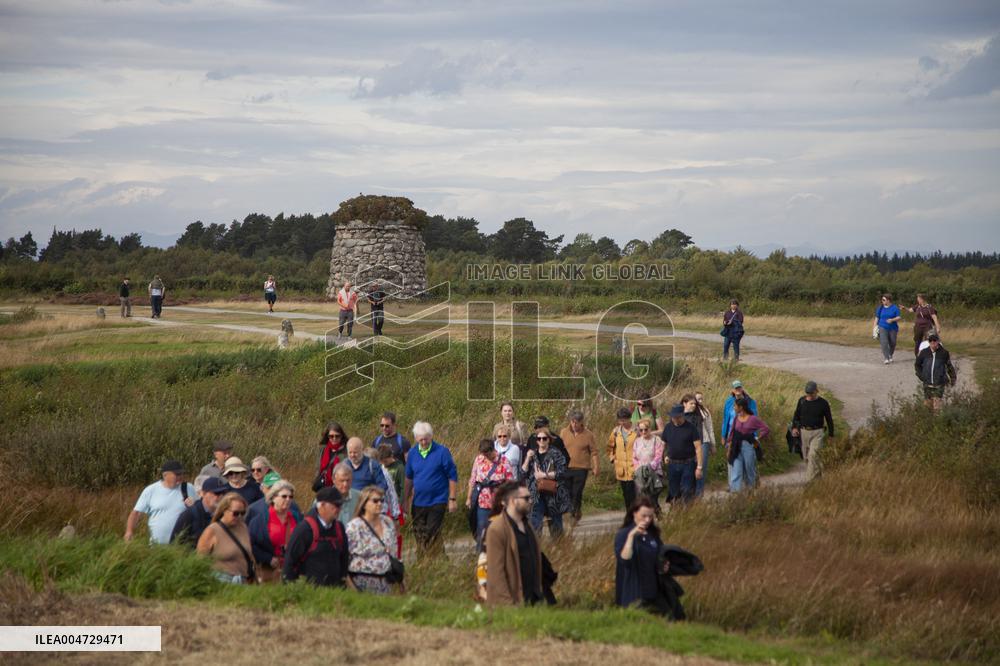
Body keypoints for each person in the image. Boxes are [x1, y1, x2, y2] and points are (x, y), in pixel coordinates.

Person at [484, 481, 545, 606]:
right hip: (512, 604)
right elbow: (496, 572)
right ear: (512, 501)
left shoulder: (528, 526)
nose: (531, 501)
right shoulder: (497, 529)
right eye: (526, 498)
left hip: (533, 601)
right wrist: (508, 605)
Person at [403, 421, 459, 551]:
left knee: (430, 534)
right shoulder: (412, 453)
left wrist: (452, 499)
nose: (423, 442)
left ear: (431, 436)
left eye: (426, 439)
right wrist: (405, 500)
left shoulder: (442, 452)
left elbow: (452, 476)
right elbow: (409, 478)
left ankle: (430, 561)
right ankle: (432, 563)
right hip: (418, 502)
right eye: (421, 439)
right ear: (416, 438)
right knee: (420, 536)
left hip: (437, 501)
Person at [282, 486, 352, 587]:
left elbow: (344, 559)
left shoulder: (339, 528)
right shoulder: (305, 529)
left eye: (340, 505)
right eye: (336, 505)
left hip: (334, 593)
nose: (339, 509)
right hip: (309, 592)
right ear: (322, 505)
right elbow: (289, 561)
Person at [615, 497, 669, 613]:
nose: (647, 520)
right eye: (643, 516)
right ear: (634, 513)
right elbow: (624, 560)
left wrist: (664, 564)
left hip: (653, 589)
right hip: (634, 592)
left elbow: (661, 553)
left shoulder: (652, 533)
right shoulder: (624, 534)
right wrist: (631, 537)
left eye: (650, 516)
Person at [124, 460, 196, 544]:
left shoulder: (189, 488)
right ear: (165, 475)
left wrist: (194, 506)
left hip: (182, 546)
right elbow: (136, 513)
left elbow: (199, 511)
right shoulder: (151, 490)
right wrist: (129, 531)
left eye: (181, 473)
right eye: (177, 474)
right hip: (157, 547)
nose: (180, 476)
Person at [346, 486, 399, 594]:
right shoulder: (354, 526)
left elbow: (394, 553)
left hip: (386, 581)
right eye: (375, 501)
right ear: (364, 504)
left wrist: (400, 580)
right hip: (361, 581)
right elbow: (344, 558)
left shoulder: (388, 523)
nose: (379, 504)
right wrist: (352, 588)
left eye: (382, 501)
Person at [196, 493, 255, 584]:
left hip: (243, 581)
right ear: (224, 510)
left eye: (242, 513)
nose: (239, 517)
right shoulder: (212, 530)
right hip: (221, 581)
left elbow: (250, 555)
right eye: (235, 513)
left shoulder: (243, 527)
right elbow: (200, 561)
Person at [522, 427, 570, 538]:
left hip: (552, 492)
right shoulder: (532, 454)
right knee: (535, 522)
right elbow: (523, 472)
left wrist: (544, 475)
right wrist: (527, 459)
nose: (542, 441)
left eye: (544, 438)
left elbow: (562, 472)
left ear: (549, 439)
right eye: (539, 439)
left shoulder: (555, 453)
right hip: (536, 493)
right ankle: (537, 548)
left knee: (555, 524)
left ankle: (559, 548)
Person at [466, 438, 514, 549]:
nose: (485, 457)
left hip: (499, 503)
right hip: (482, 502)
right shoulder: (479, 460)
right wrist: (469, 498)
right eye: (483, 454)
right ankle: (481, 556)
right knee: (481, 529)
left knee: (499, 530)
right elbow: (473, 479)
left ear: (492, 450)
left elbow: (510, 483)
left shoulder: (504, 462)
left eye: (487, 454)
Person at [248, 480, 298, 583]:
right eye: (284, 496)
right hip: (269, 572)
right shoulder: (259, 521)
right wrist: (268, 558)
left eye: (291, 497)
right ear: (273, 498)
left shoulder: (297, 517)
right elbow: (250, 544)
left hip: (293, 570)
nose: (288, 499)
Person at [560, 409, 599, 524]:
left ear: (582, 422)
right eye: (572, 421)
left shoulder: (588, 434)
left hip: (581, 468)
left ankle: (573, 514)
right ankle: (576, 511)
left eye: (577, 422)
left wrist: (596, 467)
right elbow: (558, 449)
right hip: (566, 467)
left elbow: (594, 452)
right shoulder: (563, 432)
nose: (574, 424)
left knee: (576, 492)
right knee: (567, 492)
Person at [791, 381, 835, 481]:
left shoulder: (823, 403)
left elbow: (829, 419)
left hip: (818, 432)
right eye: (808, 393)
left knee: (813, 455)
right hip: (804, 432)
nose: (809, 395)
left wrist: (831, 434)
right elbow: (796, 415)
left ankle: (808, 482)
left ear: (816, 391)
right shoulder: (801, 401)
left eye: (811, 393)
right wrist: (794, 427)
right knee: (806, 458)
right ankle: (818, 479)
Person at [725, 398, 770, 492]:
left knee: (750, 470)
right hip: (736, 446)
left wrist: (758, 438)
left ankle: (751, 492)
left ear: (741, 407)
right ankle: (735, 494)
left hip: (748, 446)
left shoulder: (752, 419)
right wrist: (729, 447)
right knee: (736, 470)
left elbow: (765, 428)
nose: (734, 407)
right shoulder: (736, 418)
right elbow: (732, 433)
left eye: (735, 406)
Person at [662, 404, 703, 504]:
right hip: (672, 464)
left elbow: (698, 448)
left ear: (682, 415)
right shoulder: (668, 427)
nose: (675, 419)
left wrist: (699, 467)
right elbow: (663, 444)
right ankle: (676, 513)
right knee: (674, 492)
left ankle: (688, 514)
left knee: (687, 490)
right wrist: (665, 456)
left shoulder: (691, 428)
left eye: (677, 417)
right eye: (673, 417)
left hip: (688, 464)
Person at [170, 476, 229, 547]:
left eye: (223, 493)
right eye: (216, 493)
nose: (220, 496)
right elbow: (175, 543)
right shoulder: (190, 514)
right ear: (203, 494)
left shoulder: (225, 514)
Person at [915, 333, 957, 413]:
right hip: (927, 383)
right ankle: (928, 420)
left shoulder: (944, 353)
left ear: (938, 341)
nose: (932, 342)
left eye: (934, 341)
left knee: (937, 404)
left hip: (939, 383)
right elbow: (917, 365)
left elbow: (949, 366)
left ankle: (937, 420)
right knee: (927, 403)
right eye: (930, 341)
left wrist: (953, 378)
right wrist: (921, 375)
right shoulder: (924, 352)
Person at [607, 407, 638, 511]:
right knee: (626, 494)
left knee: (633, 494)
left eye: (624, 420)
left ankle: (633, 515)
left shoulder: (637, 430)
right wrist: (612, 458)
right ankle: (630, 514)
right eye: (620, 420)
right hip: (621, 469)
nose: (622, 422)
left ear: (630, 419)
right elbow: (610, 447)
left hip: (635, 468)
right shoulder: (616, 432)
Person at [632, 418, 664, 508]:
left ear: (650, 429)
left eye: (646, 429)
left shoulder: (656, 440)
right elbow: (634, 457)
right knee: (642, 497)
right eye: (641, 430)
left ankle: (658, 515)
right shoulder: (637, 441)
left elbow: (658, 456)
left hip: (654, 472)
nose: (643, 432)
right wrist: (638, 468)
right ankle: (646, 518)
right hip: (640, 473)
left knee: (652, 498)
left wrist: (650, 467)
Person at [690, 392, 716, 497]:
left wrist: (713, 444)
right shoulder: (689, 412)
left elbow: (710, 429)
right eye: (697, 399)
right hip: (691, 443)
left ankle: (699, 494)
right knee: (692, 468)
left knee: (701, 468)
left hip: (704, 441)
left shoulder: (705, 412)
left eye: (701, 399)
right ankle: (691, 493)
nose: (699, 401)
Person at [314, 422, 348, 491]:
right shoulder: (323, 449)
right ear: (327, 436)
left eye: (337, 436)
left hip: (339, 487)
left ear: (342, 436)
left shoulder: (346, 451)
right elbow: (318, 468)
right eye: (331, 436)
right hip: (324, 486)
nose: (334, 438)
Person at [872, 293, 902, 364]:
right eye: (882, 300)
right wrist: (874, 328)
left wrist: (892, 320)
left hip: (893, 328)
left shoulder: (894, 308)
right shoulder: (880, 308)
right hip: (882, 326)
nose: (882, 301)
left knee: (893, 342)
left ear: (888, 300)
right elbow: (877, 318)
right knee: (884, 342)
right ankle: (886, 358)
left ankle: (890, 355)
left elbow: (899, 317)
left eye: (884, 300)